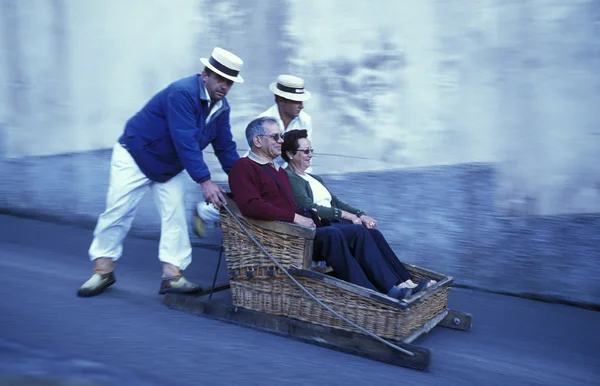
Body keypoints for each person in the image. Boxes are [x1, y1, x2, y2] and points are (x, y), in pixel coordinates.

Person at [77, 47, 245, 298]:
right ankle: (102, 270)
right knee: (118, 211)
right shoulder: (183, 93)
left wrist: (245, 180)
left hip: (169, 165)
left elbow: (225, 148)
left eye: (229, 82)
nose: (224, 86)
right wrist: (205, 182)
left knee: (175, 214)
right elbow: (185, 140)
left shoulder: (221, 108)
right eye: (220, 79)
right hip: (136, 154)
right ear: (205, 75)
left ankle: (172, 276)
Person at [228, 117, 430, 300]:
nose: (280, 140)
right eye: (275, 137)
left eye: (281, 136)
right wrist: (296, 218)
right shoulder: (244, 167)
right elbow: (250, 206)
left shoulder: (277, 170)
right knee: (332, 234)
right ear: (257, 141)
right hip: (280, 236)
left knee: (359, 232)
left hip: (299, 229)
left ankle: (393, 287)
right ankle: (373, 296)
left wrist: (349, 216)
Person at [281, 129, 435, 291]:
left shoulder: (314, 179)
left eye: (311, 150)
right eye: (305, 151)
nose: (310, 154)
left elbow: (336, 202)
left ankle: (406, 282)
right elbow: (308, 207)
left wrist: (361, 215)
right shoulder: (290, 178)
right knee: (359, 232)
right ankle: (391, 287)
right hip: (323, 227)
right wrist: (348, 216)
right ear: (290, 154)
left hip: (336, 224)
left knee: (373, 233)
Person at [194, 74, 313, 236]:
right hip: (256, 168)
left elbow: (301, 152)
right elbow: (261, 155)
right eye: (296, 101)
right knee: (245, 206)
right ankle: (204, 212)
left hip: (280, 169)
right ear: (281, 100)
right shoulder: (263, 122)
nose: (302, 106)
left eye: (302, 100)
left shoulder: (305, 120)